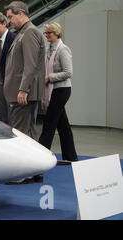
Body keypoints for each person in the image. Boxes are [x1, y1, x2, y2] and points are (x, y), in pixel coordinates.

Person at [3, 1, 45, 185]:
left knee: (22, 132)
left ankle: (25, 172)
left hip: (23, 93)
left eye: (10, 17)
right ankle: (35, 170)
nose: (9, 21)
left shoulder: (30, 32)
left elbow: (31, 65)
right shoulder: (24, 32)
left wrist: (23, 89)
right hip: (21, 92)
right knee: (28, 131)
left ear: (21, 14)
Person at [38, 22, 78, 164]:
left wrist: (50, 78)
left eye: (49, 33)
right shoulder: (49, 49)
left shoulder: (63, 49)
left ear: (57, 34)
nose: (47, 35)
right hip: (53, 90)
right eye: (46, 33)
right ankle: (71, 157)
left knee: (49, 123)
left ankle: (40, 157)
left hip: (61, 90)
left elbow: (68, 72)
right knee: (63, 125)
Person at [0, 12, 16, 124]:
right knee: (4, 121)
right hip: (1, 88)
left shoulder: (14, 39)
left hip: (13, 87)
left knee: (13, 122)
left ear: (4, 23)